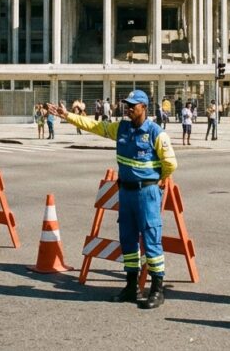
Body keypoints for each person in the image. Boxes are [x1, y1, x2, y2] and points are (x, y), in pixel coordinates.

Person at [48, 90, 176, 309]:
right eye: (127, 104)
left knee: (151, 237)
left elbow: (170, 163)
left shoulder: (157, 133)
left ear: (144, 107)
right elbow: (94, 126)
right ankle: (131, 286)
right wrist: (67, 116)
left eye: (133, 105)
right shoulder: (121, 128)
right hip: (125, 192)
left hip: (146, 192)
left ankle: (156, 289)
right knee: (127, 238)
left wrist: (159, 180)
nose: (128, 108)